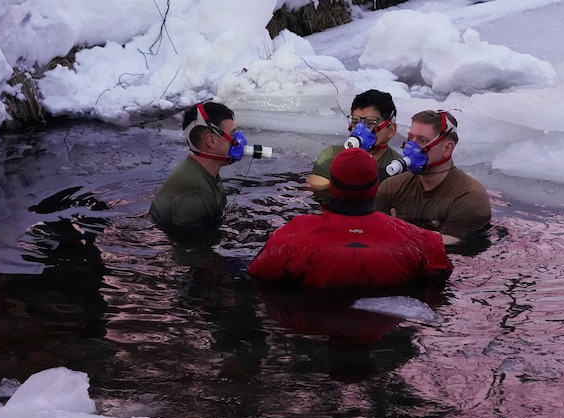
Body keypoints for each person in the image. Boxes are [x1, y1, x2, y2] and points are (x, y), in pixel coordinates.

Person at [249, 148, 452, 289]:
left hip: (311, 322)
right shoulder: (421, 241)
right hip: (385, 329)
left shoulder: (290, 238)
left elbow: (260, 275)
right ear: (375, 187)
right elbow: (439, 278)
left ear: (333, 186)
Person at [374, 110, 492, 245]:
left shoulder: (470, 198)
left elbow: (446, 251)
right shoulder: (390, 187)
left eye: (422, 140)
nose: (411, 147)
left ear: (447, 149)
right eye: (410, 138)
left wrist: (398, 232)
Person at [149, 101, 242, 233]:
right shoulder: (195, 193)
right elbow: (192, 251)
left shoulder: (206, 173)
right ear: (211, 141)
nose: (238, 141)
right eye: (233, 135)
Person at [307, 89, 402, 192]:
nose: (359, 129)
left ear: (391, 131)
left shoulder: (400, 168)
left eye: (371, 122)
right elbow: (315, 192)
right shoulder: (331, 155)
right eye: (355, 121)